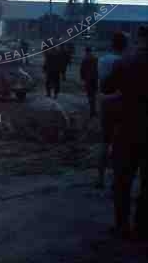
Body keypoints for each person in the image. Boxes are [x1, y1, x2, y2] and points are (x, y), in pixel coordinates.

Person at [101, 25, 148, 240]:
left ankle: (122, 226)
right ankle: (142, 226)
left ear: (139, 39)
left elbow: (107, 88)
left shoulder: (127, 62)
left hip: (128, 126)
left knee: (123, 180)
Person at [97, 31, 128, 189]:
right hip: (121, 103)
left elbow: (101, 82)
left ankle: (100, 178)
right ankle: (116, 180)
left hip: (105, 102)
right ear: (125, 45)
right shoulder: (124, 61)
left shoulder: (102, 60)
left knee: (104, 142)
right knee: (120, 144)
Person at [80, 46, 99, 118]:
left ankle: (92, 110)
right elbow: (97, 68)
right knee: (94, 94)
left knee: (90, 95)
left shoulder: (85, 59)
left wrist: (82, 79)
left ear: (86, 51)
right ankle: (93, 109)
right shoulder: (95, 58)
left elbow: (82, 70)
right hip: (94, 78)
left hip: (88, 79)